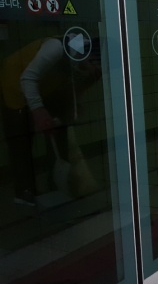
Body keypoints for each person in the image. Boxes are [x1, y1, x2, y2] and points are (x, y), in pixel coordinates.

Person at [0, 35, 101, 206]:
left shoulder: (90, 66)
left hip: (45, 87)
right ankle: (24, 191)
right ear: (88, 57)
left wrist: (75, 105)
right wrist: (38, 111)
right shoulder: (56, 48)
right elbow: (27, 78)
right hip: (14, 84)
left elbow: (74, 87)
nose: (93, 71)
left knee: (58, 131)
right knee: (21, 139)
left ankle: (58, 184)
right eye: (92, 66)